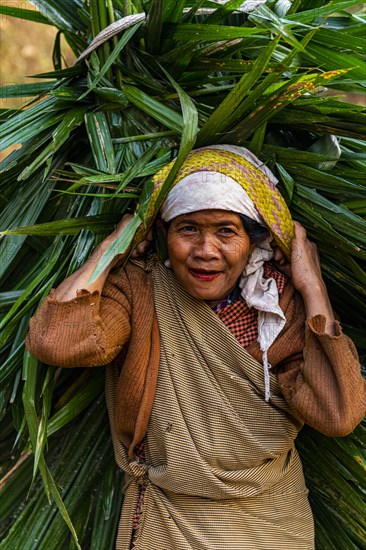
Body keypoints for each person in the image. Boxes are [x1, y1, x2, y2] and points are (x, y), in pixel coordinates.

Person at [26, 145, 366, 550]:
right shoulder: (142, 289)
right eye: (188, 229)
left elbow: (339, 413)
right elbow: (55, 341)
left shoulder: (279, 307)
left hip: (268, 525)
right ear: (162, 236)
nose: (206, 250)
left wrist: (313, 286)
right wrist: (115, 245)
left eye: (226, 230)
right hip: (165, 523)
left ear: (254, 240)